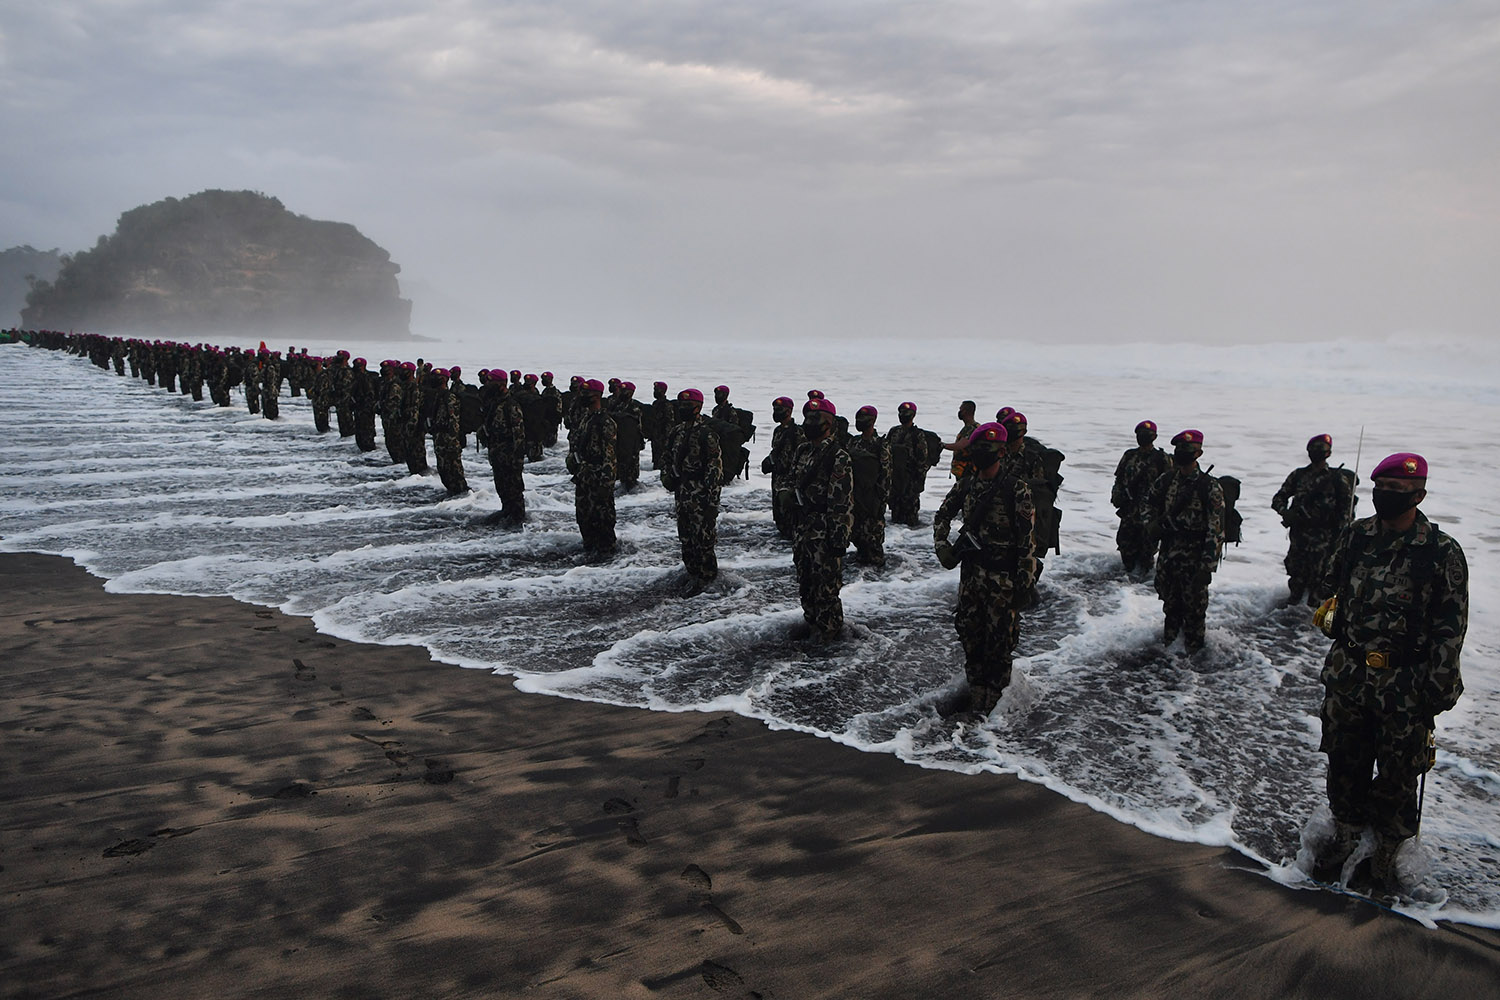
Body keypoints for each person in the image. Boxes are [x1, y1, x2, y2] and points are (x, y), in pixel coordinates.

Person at [1310, 452, 1467, 896]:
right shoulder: (1356, 536)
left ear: (1419, 495)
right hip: (1350, 673)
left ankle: (1386, 853)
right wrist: (1331, 610)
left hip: (1406, 683)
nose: (1386, 497)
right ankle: (1345, 835)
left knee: (1399, 773)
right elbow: (1330, 583)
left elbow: (1450, 626)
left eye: (1397, 492)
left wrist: (1440, 685)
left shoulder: (1440, 552)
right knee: (1343, 761)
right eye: (1381, 489)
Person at [933, 422, 1037, 715]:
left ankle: (996, 712)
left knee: (1000, 648)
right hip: (971, 579)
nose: (980, 455)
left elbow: (1027, 542)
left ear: (1001, 452)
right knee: (970, 638)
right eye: (977, 449)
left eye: (986, 450)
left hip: (1003, 583)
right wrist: (941, 544)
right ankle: (976, 697)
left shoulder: (1016, 489)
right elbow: (942, 514)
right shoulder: (966, 484)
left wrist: (1024, 584)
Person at [1139, 429, 1224, 653]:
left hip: (1195, 557)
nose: (1181, 453)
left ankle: (1194, 661)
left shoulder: (1209, 487)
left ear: (1198, 453)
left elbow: (1216, 529)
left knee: (1195, 612)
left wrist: (1207, 566)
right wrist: (1150, 524)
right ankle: (1170, 656)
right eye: (1179, 449)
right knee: (1170, 607)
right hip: (1169, 554)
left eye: (1187, 449)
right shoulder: (1167, 480)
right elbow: (1148, 502)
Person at [791, 398, 853, 640]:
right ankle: (812, 625)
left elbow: (841, 502)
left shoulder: (838, 456)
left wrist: (839, 539)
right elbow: (792, 482)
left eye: (815, 419)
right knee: (805, 583)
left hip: (824, 531)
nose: (809, 423)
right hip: (802, 529)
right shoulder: (802, 450)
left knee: (826, 588)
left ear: (829, 423)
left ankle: (831, 637)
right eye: (806, 417)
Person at [1272, 434, 1356, 606]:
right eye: (1314, 449)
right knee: (1296, 577)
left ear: (1329, 453)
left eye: (1322, 450)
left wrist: (1340, 538)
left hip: (1324, 539)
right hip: (1300, 536)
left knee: (1319, 581)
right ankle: (1290, 616)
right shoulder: (1298, 475)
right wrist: (1285, 513)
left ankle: (1311, 623)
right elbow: (1278, 498)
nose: (1317, 453)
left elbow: (1346, 511)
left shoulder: (1337, 479)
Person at [661, 389, 724, 592]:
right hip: (682, 490)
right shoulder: (677, 431)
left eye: (687, 406)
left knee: (703, 538)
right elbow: (667, 456)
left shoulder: (707, 434)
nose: (683, 409)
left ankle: (707, 579)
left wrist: (712, 501)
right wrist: (666, 476)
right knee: (686, 535)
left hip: (701, 493)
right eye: (681, 405)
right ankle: (692, 573)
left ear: (698, 408)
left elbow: (714, 468)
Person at [1111, 420, 1172, 576]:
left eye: (1148, 435)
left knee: (1147, 550)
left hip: (1151, 512)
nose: (1144, 437)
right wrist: (1117, 497)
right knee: (1125, 545)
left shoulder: (1162, 459)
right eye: (1141, 434)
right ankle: (1127, 577)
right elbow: (1119, 479)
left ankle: (1142, 585)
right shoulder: (1129, 455)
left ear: (1155, 437)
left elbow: (1170, 484)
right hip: (1130, 509)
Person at [566, 379, 618, 556]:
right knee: (584, 517)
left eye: (586, 394)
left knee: (602, 520)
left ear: (597, 396)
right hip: (584, 476)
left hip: (598, 477)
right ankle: (590, 550)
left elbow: (609, 455)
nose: (582, 396)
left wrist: (606, 484)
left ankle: (606, 555)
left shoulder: (605, 422)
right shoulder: (586, 419)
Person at [480, 369, 527, 523]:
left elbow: (519, 436)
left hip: (509, 456)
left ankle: (518, 519)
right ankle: (507, 512)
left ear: (501, 384)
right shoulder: (494, 403)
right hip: (497, 454)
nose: (488, 385)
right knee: (501, 487)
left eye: (491, 382)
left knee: (514, 489)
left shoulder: (511, 406)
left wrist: (516, 460)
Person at [847, 405, 891, 567]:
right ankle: (861, 561)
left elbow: (886, 474)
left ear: (873, 421)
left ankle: (876, 570)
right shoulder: (853, 442)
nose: (859, 422)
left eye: (864, 419)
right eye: (858, 418)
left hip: (872, 496)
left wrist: (881, 500)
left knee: (872, 536)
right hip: (855, 494)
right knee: (857, 533)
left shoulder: (880, 444)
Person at [885, 401, 935, 527]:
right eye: (901, 413)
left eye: (906, 413)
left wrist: (918, 482)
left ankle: (910, 538)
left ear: (913, 415)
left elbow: (922, 459)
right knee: (895, 514)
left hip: (910, 480)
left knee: (910, 518)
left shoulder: (917, 435)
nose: (903, 415)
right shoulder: (894, 431)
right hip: (895, 480)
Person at [762, 396, 799, 540]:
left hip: (789, 478)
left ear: (789, 411)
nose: (776, 412)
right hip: (777, 476)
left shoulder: (797, 432)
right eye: (775, 409)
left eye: (780, 409)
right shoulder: (778, 431)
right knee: (778, 512)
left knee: (788, 511)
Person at [430, 369, 468, 494]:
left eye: (438, 377)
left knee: (454, 469)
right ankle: (452, 492)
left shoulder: (449, 397)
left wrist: (453, 441)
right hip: (439, 437)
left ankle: (462, 494)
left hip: (449, 439)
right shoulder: (437, 396)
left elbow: (454, 420)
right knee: (443, 468)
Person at [941, 400, 979, 480]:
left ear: (965, 411)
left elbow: (960, 445)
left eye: (960, 410)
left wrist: (942, 445)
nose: (959, 412)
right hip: (965, 470)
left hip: (967, 470)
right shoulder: (973, 427)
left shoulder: (970, 428)